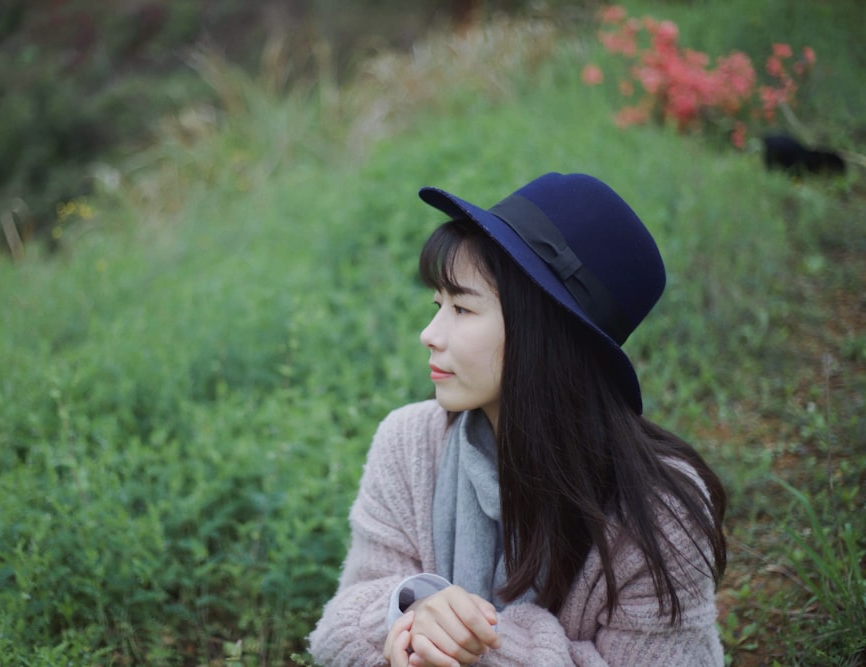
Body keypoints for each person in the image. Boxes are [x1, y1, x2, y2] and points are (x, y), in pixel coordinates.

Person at [308, 172, 727, 666]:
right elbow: (336, 632)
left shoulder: (658, 513)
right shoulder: (408, 443)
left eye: (463, 308)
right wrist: (412, 608)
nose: (429, 334)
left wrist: (476, 646)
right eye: (437, 304)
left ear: (542, 333)